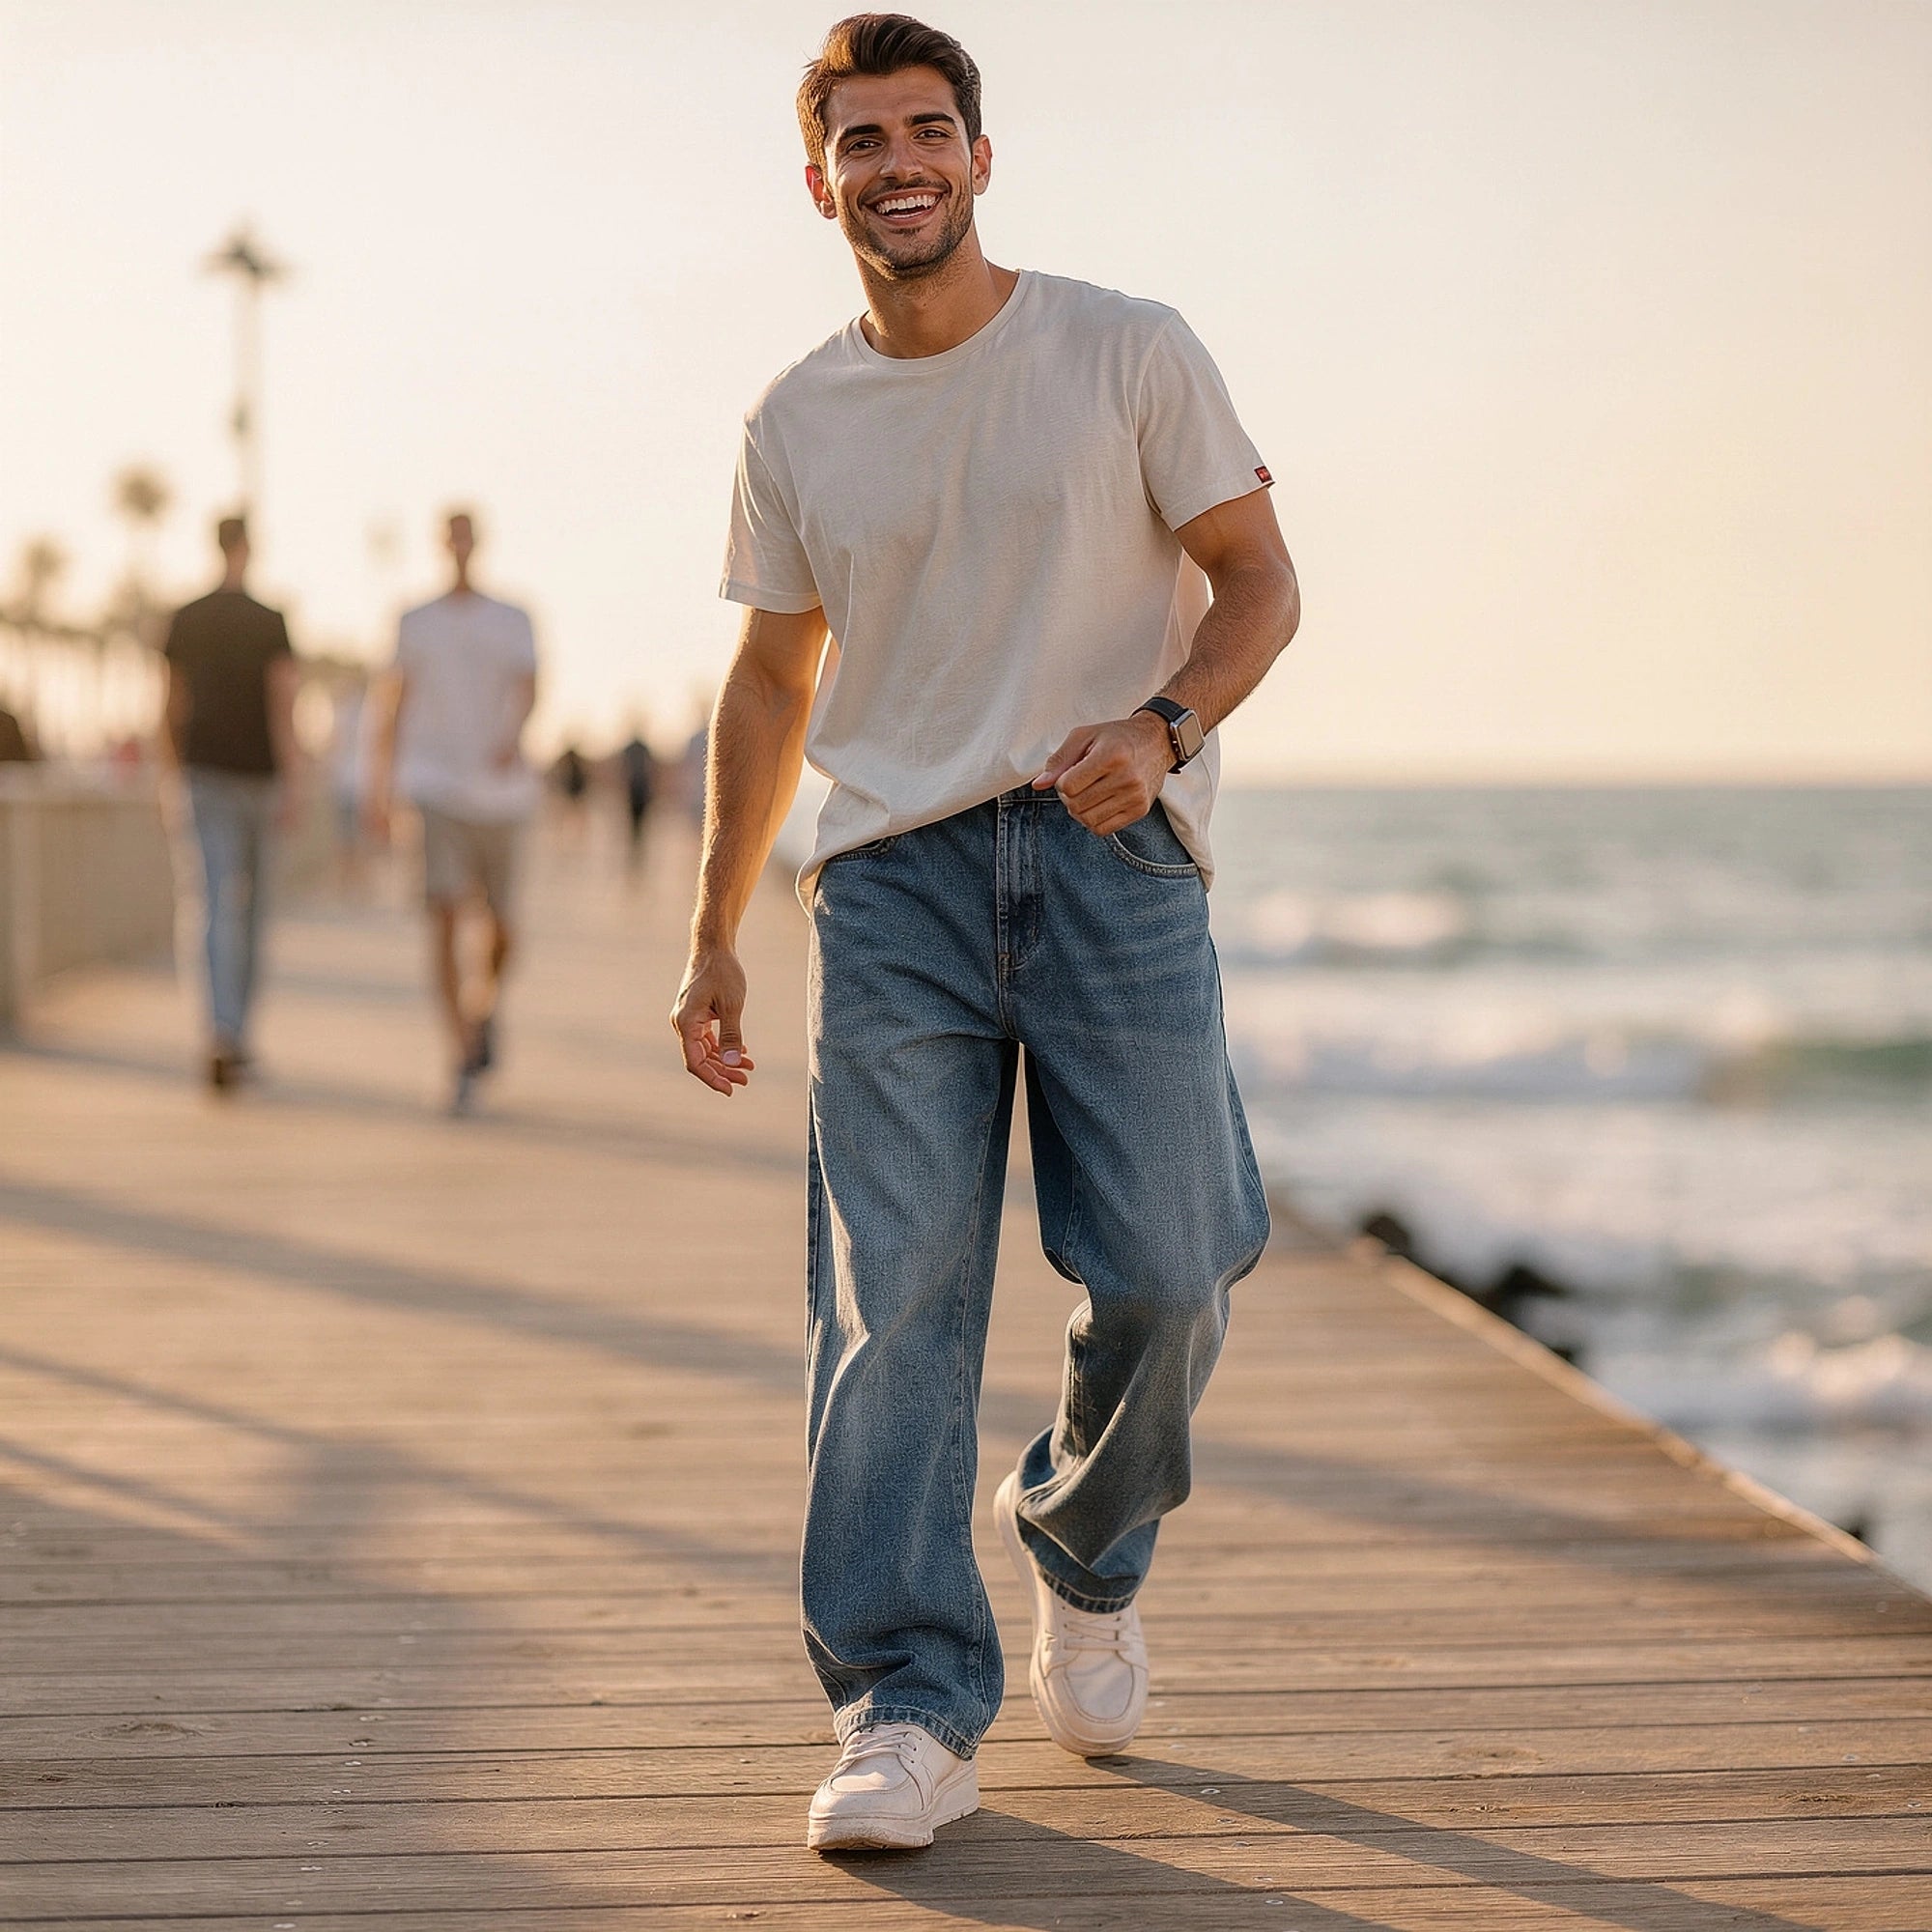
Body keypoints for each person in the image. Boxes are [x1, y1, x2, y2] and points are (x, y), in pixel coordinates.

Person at [671, 14, 1300, 1855]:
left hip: (1118, 865)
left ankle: (1086, 1551)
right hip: (890, 891)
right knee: (893, 1310)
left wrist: (1165, 726)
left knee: (1178, 1270)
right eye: (862, 142)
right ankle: (904, 1704)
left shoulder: (1125, 350)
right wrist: (714, 927)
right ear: (821, 183)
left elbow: (1261, 581)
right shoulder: (794, 418)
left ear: (981, 156)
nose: (899, 165)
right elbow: (773, 675)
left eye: (928, 130)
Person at [368, 510, 538, 1115]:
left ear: (478, 542)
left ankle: (483, 1007)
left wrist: (511, 736)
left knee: (503, 926)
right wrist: (378, 789)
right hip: (433, 786)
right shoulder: (415, 621)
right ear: (443, 544)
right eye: (452, 535)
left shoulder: (513, 618)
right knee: (442, 915)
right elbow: (391, 703)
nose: (460, 545)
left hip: (502, 792)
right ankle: (462, 1049)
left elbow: (529, 686)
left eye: (469, 533)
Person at [160, 515, 300, 1091]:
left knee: (211, 903)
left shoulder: (186, 617)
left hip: (201, 775)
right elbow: (283, 706)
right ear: (249, 547)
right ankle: (236, 1033)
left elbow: (169, 704)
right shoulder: (271, 621)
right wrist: (292, 779)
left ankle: (218, 1029)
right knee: (252, 909)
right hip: (257, 778)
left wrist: (167, 776)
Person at [618, 725, 657, 863]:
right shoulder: (633, 749)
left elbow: (650, 770)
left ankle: (637, 851)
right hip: (634, 791)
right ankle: (635, 851)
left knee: (639, 824)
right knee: (634, 824)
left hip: (640, 791)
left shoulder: (640, 748)